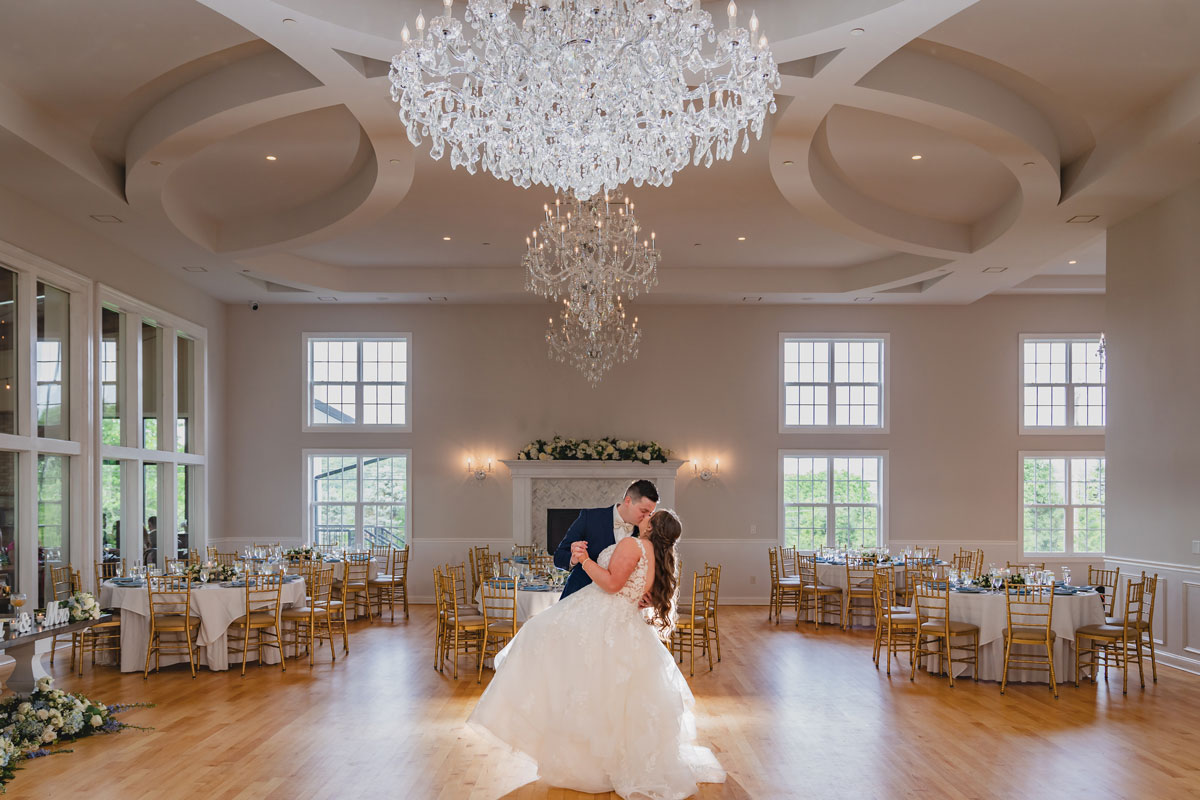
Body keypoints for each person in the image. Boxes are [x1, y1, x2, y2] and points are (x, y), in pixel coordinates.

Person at [469, 505, 725, 799]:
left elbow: (613, 584)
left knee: (547, 647)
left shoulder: (634, 544)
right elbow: (641, 588)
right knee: (605, 691)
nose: (644, 517)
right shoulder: (658, 554)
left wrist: (585, 560)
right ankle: (599, 760)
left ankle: (586, 761)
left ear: (653, 528)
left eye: (649, 518)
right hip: (621, 621)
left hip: (604, 618)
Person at [553, 479, 658, 600]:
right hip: (579, 597)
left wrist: (651, 596)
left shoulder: (646, 532)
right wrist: (574, 558)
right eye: (643, 511)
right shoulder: (590, 518)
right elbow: (559, 557)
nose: (647, 518)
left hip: (620, 605)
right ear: (628, 501)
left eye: (650, 513)